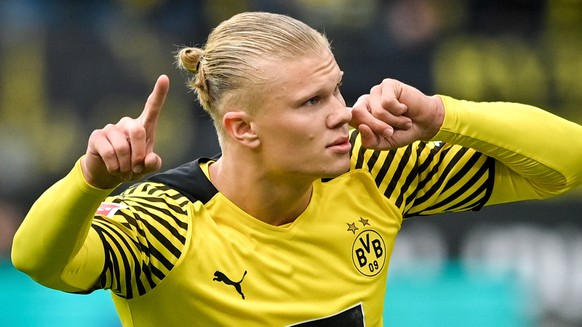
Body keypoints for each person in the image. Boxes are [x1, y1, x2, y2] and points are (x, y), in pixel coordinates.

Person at [11, 11, 582, 327]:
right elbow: (36, 259)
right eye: (311, 102)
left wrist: (443, 115)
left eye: (336, 90)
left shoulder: (375, 173)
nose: (342, 114)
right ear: (243, 128)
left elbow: (567, 164)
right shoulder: (167, 222)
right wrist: (89, 181)